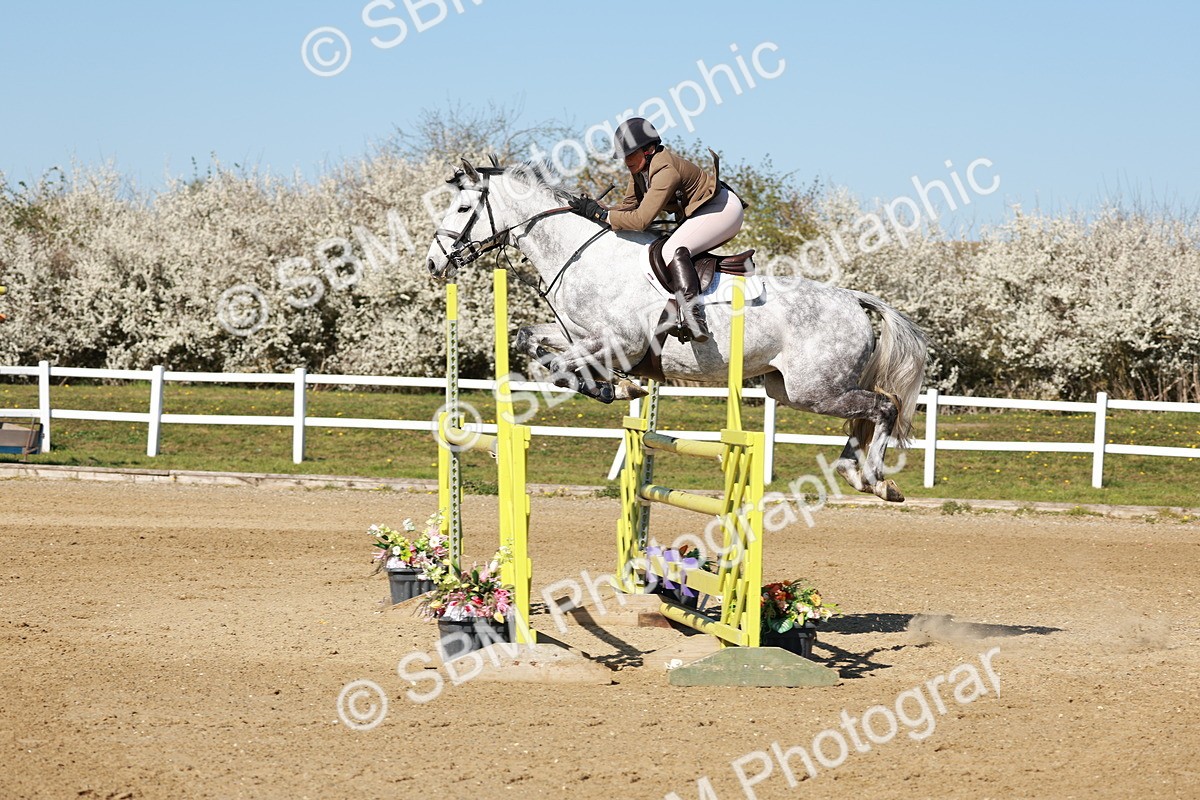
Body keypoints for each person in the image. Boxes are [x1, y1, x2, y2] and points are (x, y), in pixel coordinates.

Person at [568, 117, 745, 343]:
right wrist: (596, 209)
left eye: (630, 155)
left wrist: (602, 215)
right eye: (624, 156)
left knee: (671, 250)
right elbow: (629, 207)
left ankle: (694, 317)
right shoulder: (640, 169)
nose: (626, 161)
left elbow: (641, 220)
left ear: (649, 149)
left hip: (722, 209)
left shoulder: (665, 170)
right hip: (702, 211)